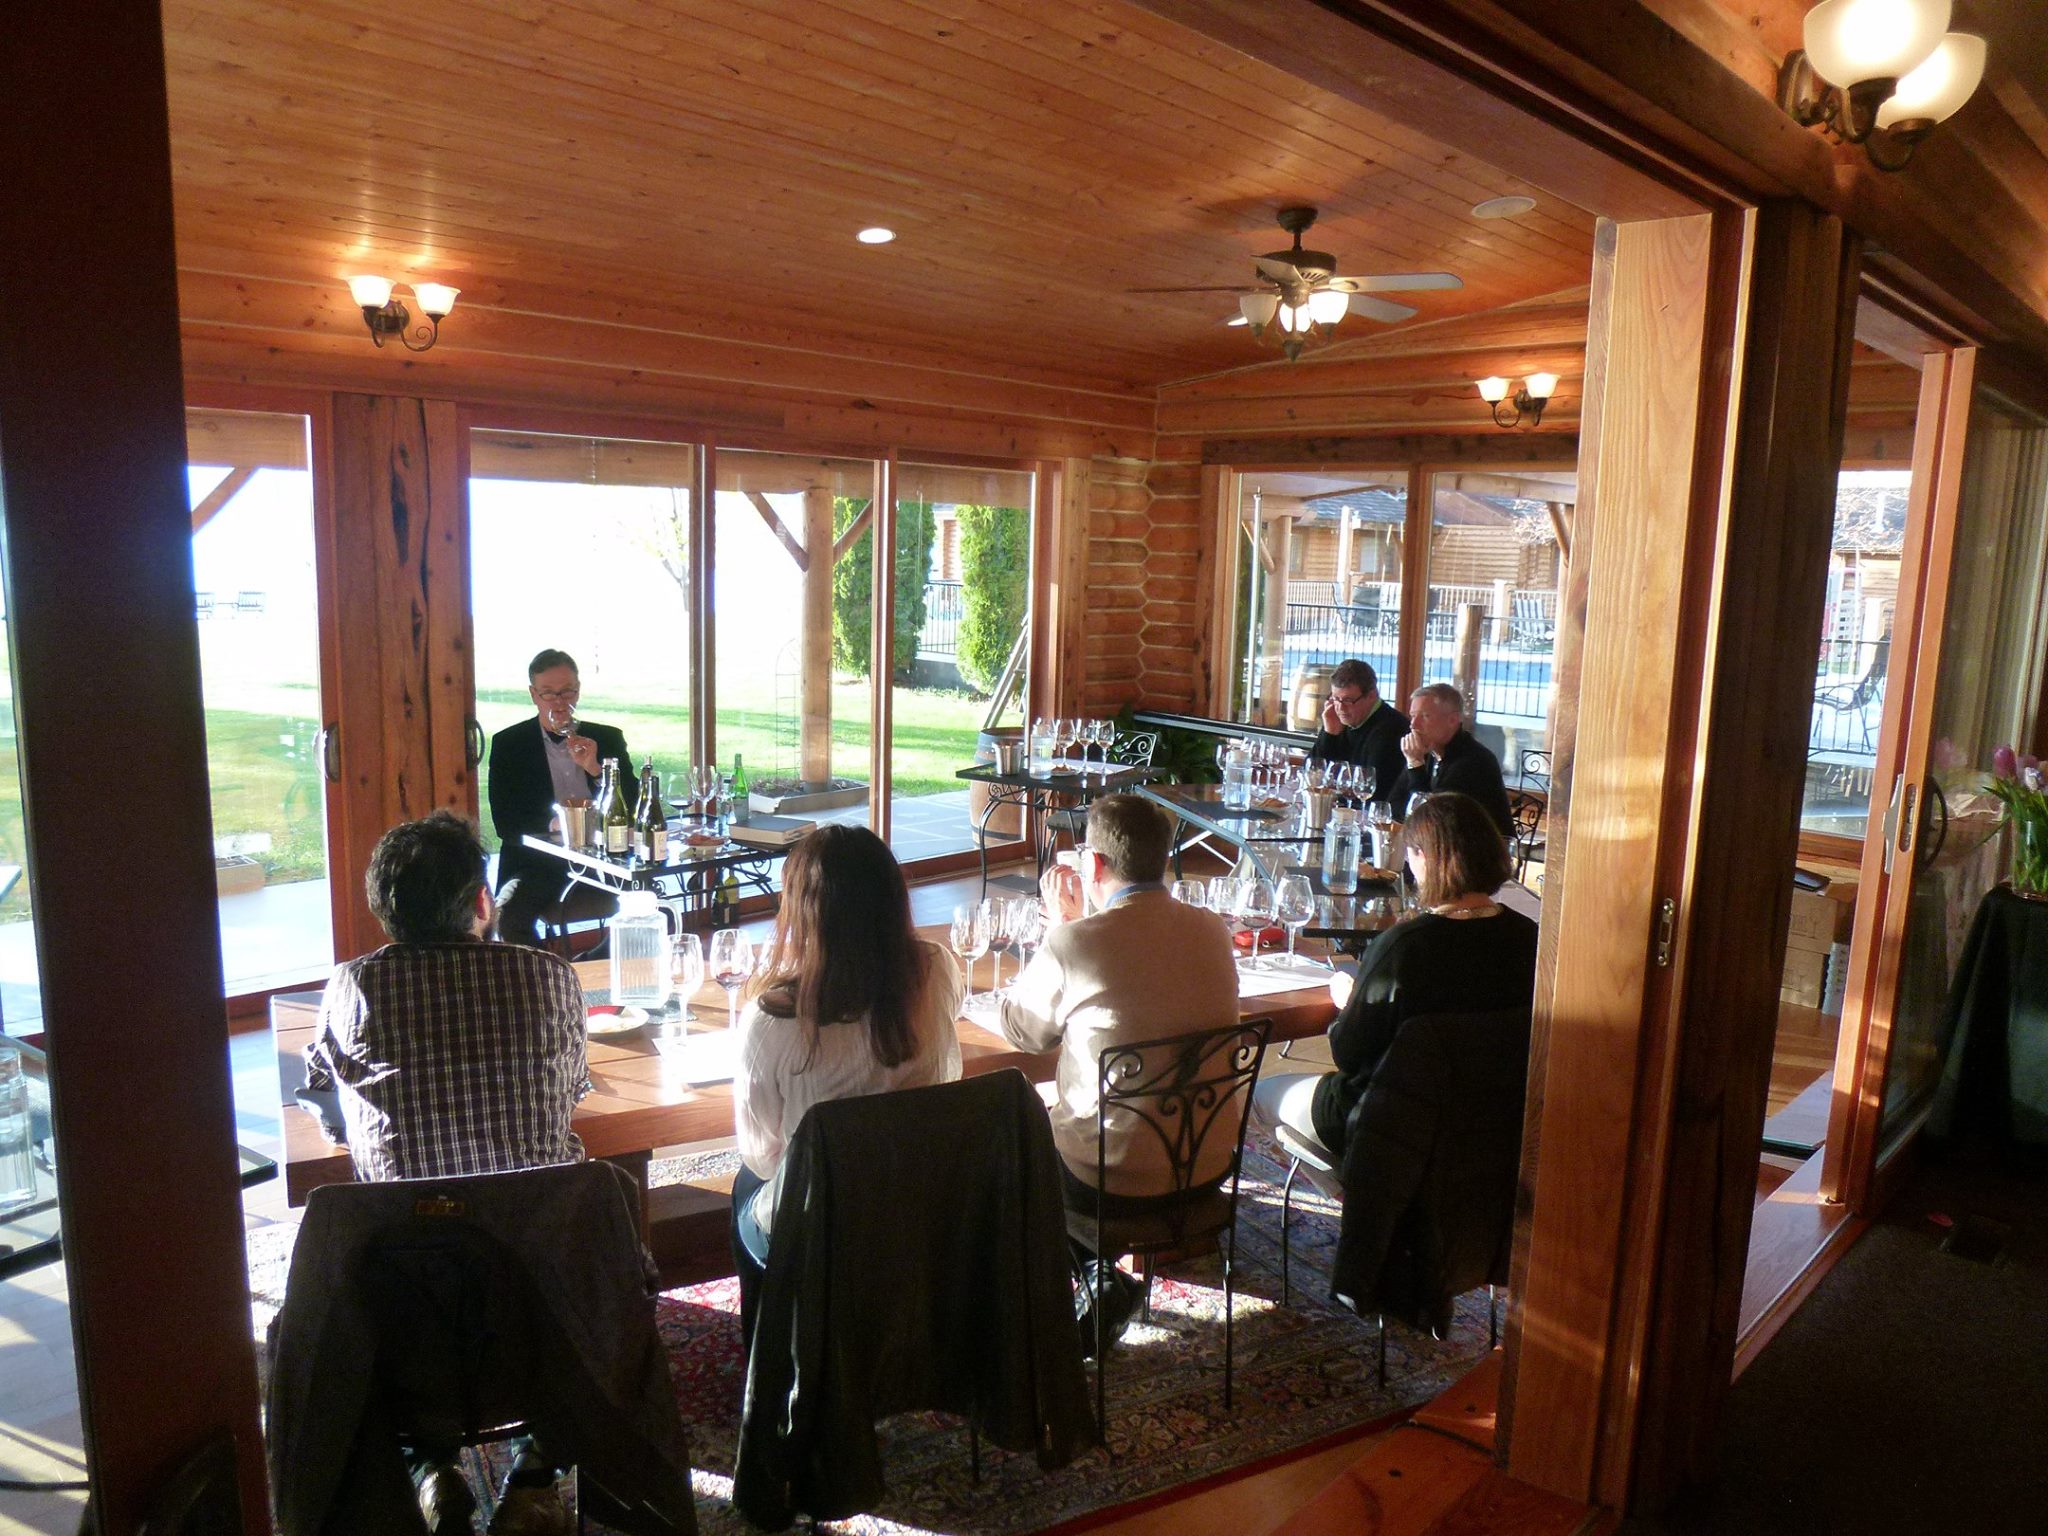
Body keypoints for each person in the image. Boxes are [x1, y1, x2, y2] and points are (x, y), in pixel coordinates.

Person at [302, 810, 587, 1536]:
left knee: (396, 1276)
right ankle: (535, 1473)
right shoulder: (548, 976)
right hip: (540, 1290)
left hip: (408, 1298)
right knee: (593, 1229)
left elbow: (322, 1089)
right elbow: (572, 1089)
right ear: (482, 902)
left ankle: (431, 1470)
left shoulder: (352, 986)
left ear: (383, 910)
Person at [998, 793, 1240, 1344]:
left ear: (1094, 864)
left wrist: (1058, 933)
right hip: (1205, 1168)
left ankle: (1085, 1273)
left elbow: (1023, 1032)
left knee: (1008, 1132)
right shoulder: (1212, 930)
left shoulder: (1074, 943)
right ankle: (1097, 1271)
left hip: (1108, 1183)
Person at [730, 825, 964, 1336]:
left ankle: (770, 1352)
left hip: (822, 1225)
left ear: (801, 913)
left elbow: (762, 1154)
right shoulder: (936, 970)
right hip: (921, 1198)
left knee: (745, 1184)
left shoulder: (771, 1021)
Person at [1253, 791, 1537, 1160]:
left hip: (1387, 1124)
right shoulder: (1531, 937)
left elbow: (1349, 1055)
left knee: (1261, 1093)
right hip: (1492, 1125)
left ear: (1424, 858)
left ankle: (1346, 1186)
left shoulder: (1403, 947)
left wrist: (1351, 1004)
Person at [487, 648, 636, 946]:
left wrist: (595, 769)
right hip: (537, 863)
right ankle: (544, 970)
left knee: (653, 903)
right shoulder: (509, 744)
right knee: (509, 918)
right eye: (549, 693)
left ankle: (599, 961)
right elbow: (505, 822)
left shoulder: (607, 738)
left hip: (604, 857)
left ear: (578, 690)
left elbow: (633, 804)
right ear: (534, 694)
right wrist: (556, 824)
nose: (559, 701)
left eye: (567, 692)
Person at [1386, 681, 1514, 836]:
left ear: (1453, 720)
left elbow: (1432, 820)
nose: (1413, 725)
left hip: (1478, 849)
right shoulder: (1427, 751)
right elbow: (1393, 805)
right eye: (1412, 716)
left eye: (1425, 716)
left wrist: (1415, 764)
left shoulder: (1472, 762)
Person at [1310, 658, 1409, 803]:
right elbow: (1312, 774)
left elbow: (1370, 791)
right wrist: (1329, 734)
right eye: (1335, 698)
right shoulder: (1335, 718)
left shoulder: (1392, 729)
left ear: (1372, 695)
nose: (1340, 708)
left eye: (1348, 700)